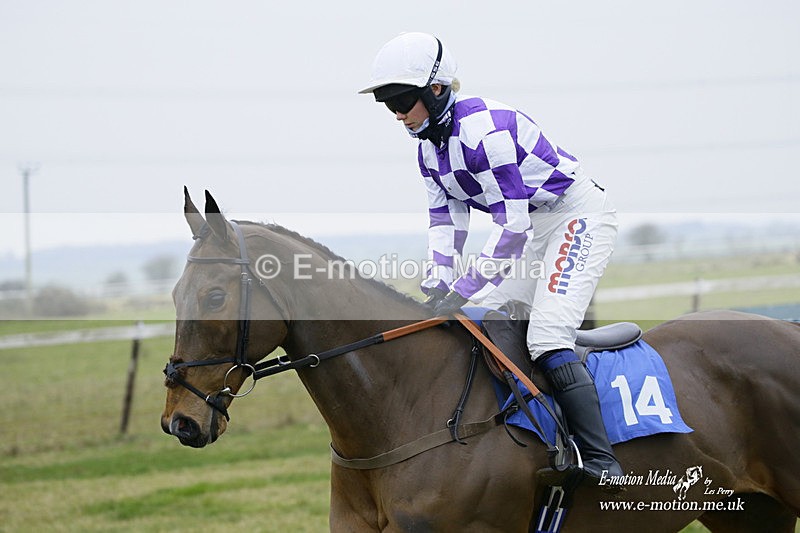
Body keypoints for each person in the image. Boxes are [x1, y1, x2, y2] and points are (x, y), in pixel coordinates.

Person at [359, 32, 624, 481]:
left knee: (547, 337)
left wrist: (463, 286)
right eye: (389, 105)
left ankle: (603, 460)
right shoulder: (428, 150)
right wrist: (439, 283)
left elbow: (511, 229)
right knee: (484, 320)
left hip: (577, 217)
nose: (399, 114)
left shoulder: (487, 133)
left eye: (403, 100)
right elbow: (445, 223)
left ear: (436, 89)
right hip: (536, 226)